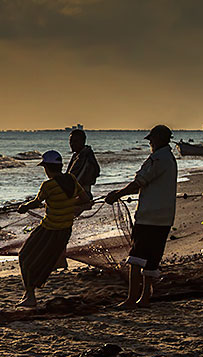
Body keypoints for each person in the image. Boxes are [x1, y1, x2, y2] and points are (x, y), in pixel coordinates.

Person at [105, 125, 177, 308]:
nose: (150, 143)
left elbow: (139, 182)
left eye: (152, 139)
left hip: (149, 217)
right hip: (165, 216)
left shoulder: (158, 158)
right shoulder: (168, 158)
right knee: (152, 259)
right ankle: (144, 298)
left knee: (136, 258)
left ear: (160, 139)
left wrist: (116, 195)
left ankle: (131, 299)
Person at [16, 150, 90, 307]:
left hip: (50, 228)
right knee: (43, 260)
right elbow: (84, 199)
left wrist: (23, 207)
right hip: (64, 230)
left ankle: (30, 296)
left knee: (24, 256)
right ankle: (29, 294)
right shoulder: (71, 180)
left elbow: (36, 202)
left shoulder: (48, 185)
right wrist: (67, 204)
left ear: (47, 168)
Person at [66, 129, 100, 204]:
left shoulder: (85, 157)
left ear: (82, 141)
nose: (72, 144)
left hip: (81, 195)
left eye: (75, 141)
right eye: (70, 141)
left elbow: (75, 178)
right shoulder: (77, 155)